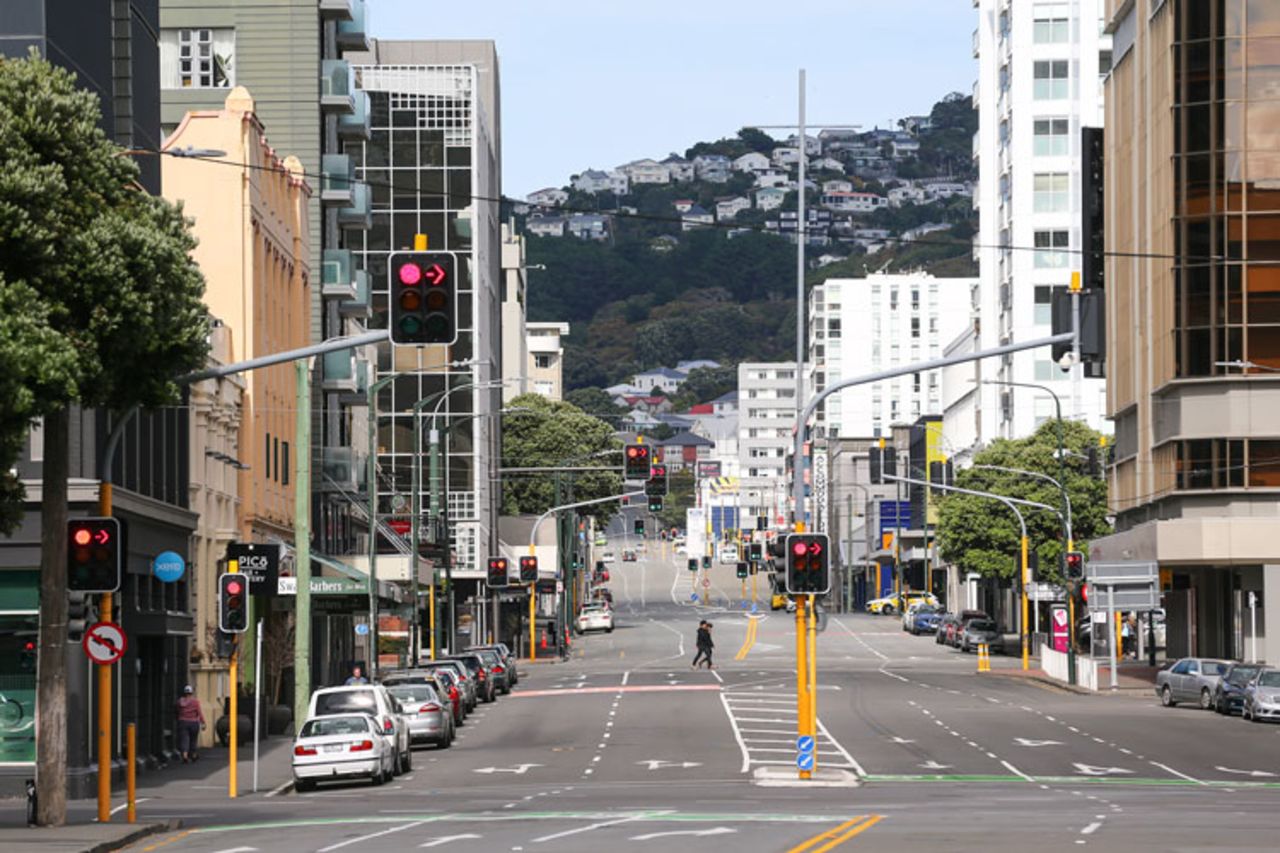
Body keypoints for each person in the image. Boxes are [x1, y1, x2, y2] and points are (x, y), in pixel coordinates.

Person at [176, 685, 205, 764]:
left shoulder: (179, 702)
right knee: (193, 739)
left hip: (183, 722)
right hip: (193, 723)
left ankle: (185, 756)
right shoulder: (195, 702)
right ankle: (193, 755)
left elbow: (178, 711)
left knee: (184, 739)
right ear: (191, 693)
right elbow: (199, 712)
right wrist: (203, 722)